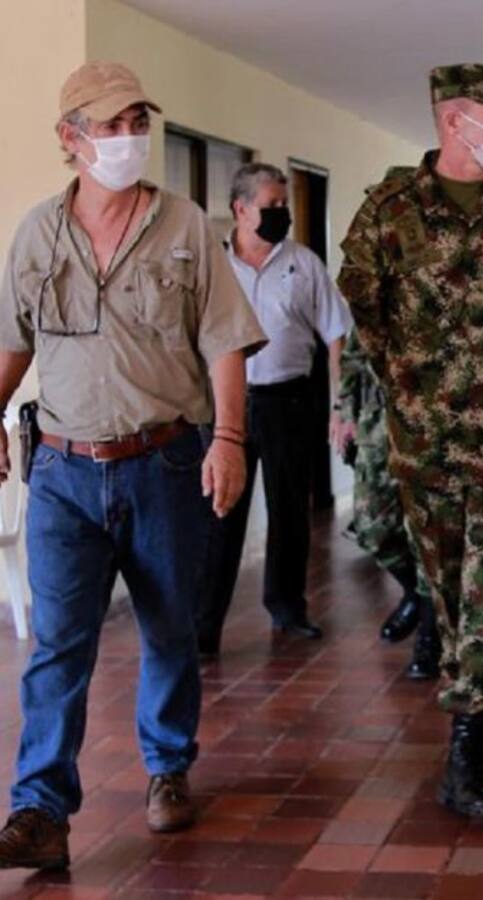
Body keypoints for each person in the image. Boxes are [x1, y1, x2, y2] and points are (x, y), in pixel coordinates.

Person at [0, 62, 265, 868]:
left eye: (135, 123)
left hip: (163, 462)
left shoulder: (183, 225)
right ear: (69, 137)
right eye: (109, 126)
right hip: (64, 472)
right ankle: (40, 810)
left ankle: (167, 768)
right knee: (58, 644)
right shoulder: (37, 233)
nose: (126, 140)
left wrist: (228, 441)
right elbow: (14, 341)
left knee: (168, 627)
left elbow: (224, 340)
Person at [339, 64, 483, 820]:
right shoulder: (388, 211)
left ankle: (467, 741)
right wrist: (418, 381)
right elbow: (364, 312)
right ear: (453, 119)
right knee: (447, 590)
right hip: (425, 444)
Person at [198, 163, 352, 653]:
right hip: (227, 408)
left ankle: (287, 607)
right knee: (221, 513)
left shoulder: (303, 263)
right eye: (272, 206)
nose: (282, 214)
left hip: (288, 400)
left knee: (290, 510)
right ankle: (204, 628)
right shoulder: (212, 268)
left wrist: (338, 405)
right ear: (241, 210)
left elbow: (335, 335)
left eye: (285, 205)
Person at [337, 327, 439, 678]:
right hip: (377, 429)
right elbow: (352, 357)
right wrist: (344, 414)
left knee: (426, 533)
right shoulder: (376, 286)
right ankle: (415, 592)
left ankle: (430, 635)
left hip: (434, 430)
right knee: (372, 527)